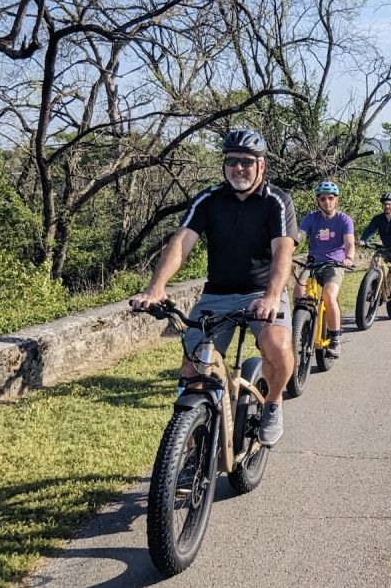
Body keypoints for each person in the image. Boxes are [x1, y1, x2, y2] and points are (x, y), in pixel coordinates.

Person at [130, 129, 297, 447]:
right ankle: (187, 458)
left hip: (262, 292)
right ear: (224, 165)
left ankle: (273, 402)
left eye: (247, 161)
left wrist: (272, 296)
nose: (239, 168)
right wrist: (156, 288)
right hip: (217, 295)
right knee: (193, 371)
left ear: (261, 165)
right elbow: (181, 243)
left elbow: (283, 252)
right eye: (232, 161)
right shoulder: (209, 199)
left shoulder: (277, 201)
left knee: (278, 346)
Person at [295, 180, 355, 358]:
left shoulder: (344, 219)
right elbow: (299, 236)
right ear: (318, 200)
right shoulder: (311, 218)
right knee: (298, 289)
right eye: (323, 199)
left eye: (330, 198)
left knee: (328, 296)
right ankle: (300, 325)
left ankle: (335, 340)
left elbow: (349, 242)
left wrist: (349, 257)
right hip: (313, 263)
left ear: (336, 199)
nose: (327, 202)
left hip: (335, 264)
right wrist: (287, 249)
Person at [359, 192, 391, 308]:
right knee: (374, 263)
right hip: (386, 249)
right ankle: (372, 288)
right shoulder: (378, 218)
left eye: (389, 204)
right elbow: (369, 230)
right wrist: (363, 240)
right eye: (384, 204)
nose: (386, 206)